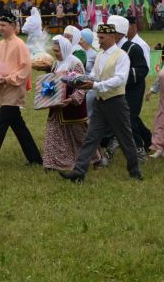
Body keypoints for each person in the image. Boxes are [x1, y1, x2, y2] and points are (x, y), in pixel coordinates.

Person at [58, 22, 142, 183]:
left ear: (113, 37)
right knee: (91, 137)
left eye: (102, 38)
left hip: (116, 102)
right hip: (100, 102)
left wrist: (96, 85)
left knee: (125, 138)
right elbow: (94, 75)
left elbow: (120, 79)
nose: (99, 41)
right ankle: (79, 172)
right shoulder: (100, 55)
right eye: (99, 37)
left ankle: (134, 171)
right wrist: (78, 80)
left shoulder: (121, 55)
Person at [0, 14, 43, 171]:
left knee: (1, 124)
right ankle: (35, 158)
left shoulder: (19, 45)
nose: (0, 28)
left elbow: (25, 68)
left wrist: (9, 79)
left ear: (13, 26)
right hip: (3, 88)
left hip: (14, 88)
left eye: (4, 25)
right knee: (19, 127)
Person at [42, 35, 93, 171]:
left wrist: (71, 99)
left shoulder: (75, 63)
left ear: (64, 49)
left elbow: (82, 86)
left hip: (72, 107)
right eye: (54, 50)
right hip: (57, 107)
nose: (55, 53)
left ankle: (94, 157)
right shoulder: (56, 64)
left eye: (57, 51)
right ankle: (52, 163)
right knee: (53, 132)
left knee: (79, 135)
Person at [104, 15, 151, 160]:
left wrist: (122, 75)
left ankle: (139, 149)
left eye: (110, 32)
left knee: (129, 118)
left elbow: (143, 70)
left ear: (118, 34)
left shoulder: (133, 48)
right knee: (115, 118)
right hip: (115, 88)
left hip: (132, 89)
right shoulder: (110, 49)